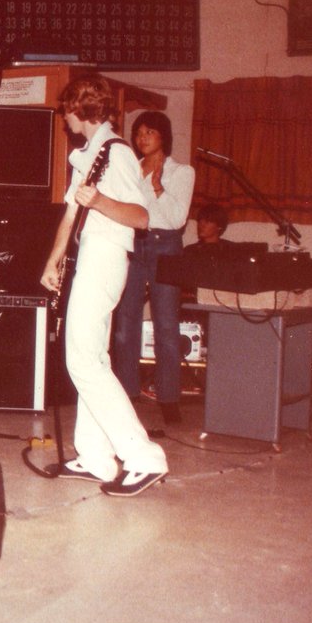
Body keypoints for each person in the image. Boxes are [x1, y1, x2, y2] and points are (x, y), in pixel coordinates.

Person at [40, 76, 168, 497]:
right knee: (90, 357)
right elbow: (70, 215)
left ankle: (143, 457)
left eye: (65, 110)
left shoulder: (119, 154)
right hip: (87, 258)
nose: (63, 118)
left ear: (79, 109)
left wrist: (100, 202)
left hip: (106, 258)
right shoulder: (89, 155)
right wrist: (53, 261)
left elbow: (141, 216)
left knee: (83, 361)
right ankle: (95, 457)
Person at [111, 111, 194, 424]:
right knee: (124, 324)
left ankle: (169, 398)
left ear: (164, 136)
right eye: (138, 133)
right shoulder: (131, 171)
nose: (142, 138)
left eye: (150, 132)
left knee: (166, 326)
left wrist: (158, 186)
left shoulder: (182, 172)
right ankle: (128, 393)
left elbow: (176, 219)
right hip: (135, 243)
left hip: (166, 246)